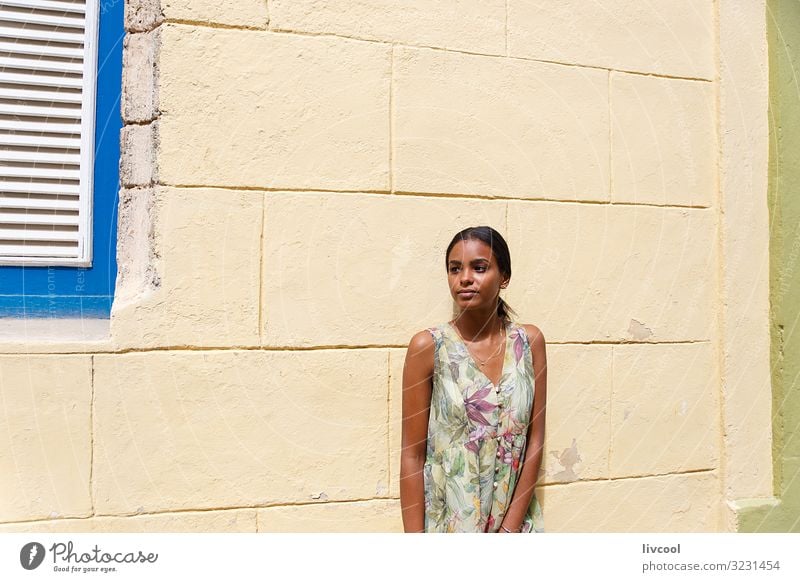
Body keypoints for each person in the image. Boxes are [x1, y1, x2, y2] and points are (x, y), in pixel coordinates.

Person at [399, 226, 547, 533]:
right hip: (449, 525)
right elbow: (412, 456)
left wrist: (510, 529)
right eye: (455, 269)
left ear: (504, 277)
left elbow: (534, 440)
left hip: (515, 522)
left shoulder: (529, 343)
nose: (464, 278)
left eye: (479, 268)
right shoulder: (428, 348)